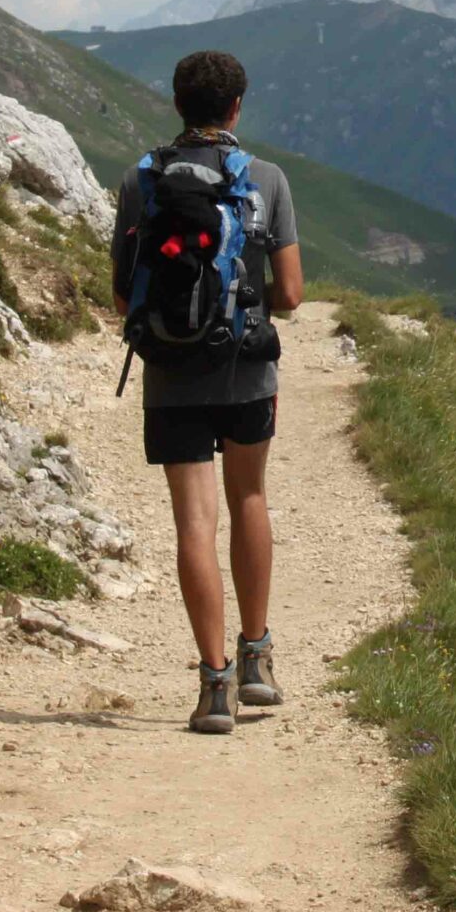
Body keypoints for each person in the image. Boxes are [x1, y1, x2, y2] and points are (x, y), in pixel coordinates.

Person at [111, 50, 305, 735]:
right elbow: (290, 293)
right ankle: (258, 658)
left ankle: (214, 684)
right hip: (247, 371)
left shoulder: (144, 180)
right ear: (236, 107)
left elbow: (121, 291)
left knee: (193, 522)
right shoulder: (269, 180)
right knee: (248, 495)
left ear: (177, 105)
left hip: (170, 373)